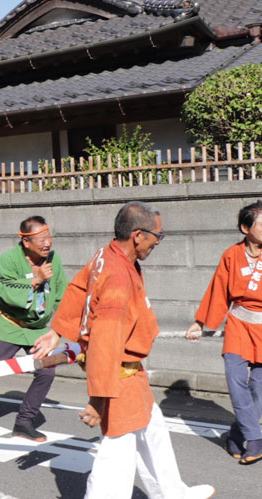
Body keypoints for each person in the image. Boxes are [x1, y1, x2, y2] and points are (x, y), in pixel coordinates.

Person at [39, 201, 214, 499]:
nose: (158, 241)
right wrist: (99, 399)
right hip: (118, 375)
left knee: (152, 431)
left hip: (130, 373)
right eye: (157, 235)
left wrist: (56, 331)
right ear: (138, 235)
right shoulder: (117, 278)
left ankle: (172, 493)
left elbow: (78, 289)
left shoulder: (106, 254)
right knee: (118, 448)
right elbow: (106, 342)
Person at [186, 200, 262, 465]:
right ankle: (256, 440)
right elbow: (218, 289)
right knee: (235, 380)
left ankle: (235, 436)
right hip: (240, 323)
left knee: (259, 389)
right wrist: (200, 322)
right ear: (245, 228)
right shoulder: (231, 255)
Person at [0, 216, 67, 445]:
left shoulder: (54, 258)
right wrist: (35, 280)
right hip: (10, 325)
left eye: (48, 236)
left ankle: (24, 422)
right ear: (26, 242)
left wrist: (60, 325)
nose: (47, 242)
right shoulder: (9, 259)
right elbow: (7, 292)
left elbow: (61, 292)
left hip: (37, 328)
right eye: (41, 238)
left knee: (46, 371)